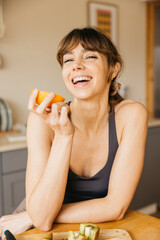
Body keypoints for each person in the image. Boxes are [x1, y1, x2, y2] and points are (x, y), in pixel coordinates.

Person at [0, 27, 148, 238]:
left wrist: (30, 216)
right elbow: (42, 220)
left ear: (113, 69)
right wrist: (63, 137)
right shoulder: (42, 121)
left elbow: (116, 207)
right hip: (37, 228)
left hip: (83, 226)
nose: (77, 65)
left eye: (90, 56)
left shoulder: (131, 115)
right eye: (68, 60)